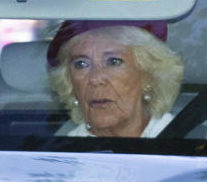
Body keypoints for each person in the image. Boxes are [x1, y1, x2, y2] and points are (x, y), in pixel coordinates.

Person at [46, 20, 185, 138]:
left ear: (148, 76)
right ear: (70, 82)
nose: (95, 78)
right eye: (81, 64)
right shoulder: (61, 158)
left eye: (113, 62)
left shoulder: (194, 143)